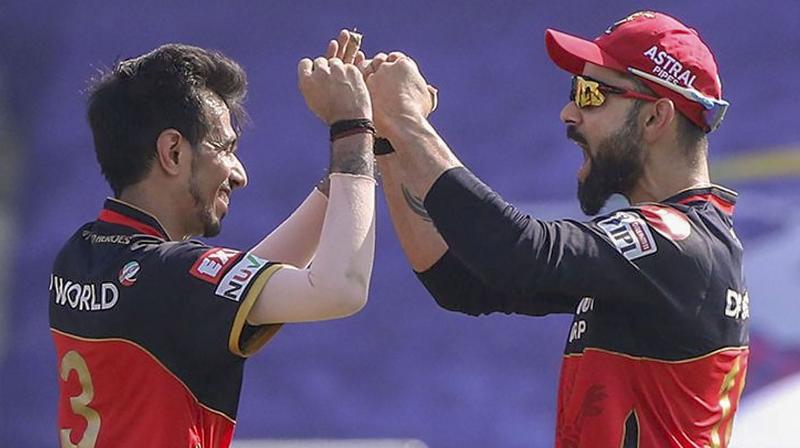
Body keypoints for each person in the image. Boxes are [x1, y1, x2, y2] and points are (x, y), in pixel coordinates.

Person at [365, 11, 748, 447]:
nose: (568, 112)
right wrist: (389, 141)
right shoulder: (677, 247)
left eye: (590, 95)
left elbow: (519, 254)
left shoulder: (676, 241)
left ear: (654, 118)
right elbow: (457, 281)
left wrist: (407, 121)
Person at [49, 31, 376, 448]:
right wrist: (352, 128)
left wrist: (360, 147)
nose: (239, 174)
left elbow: (226, 288)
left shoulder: (81, 253)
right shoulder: (168, 276)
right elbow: (341, 289)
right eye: (225, 148)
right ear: (173, 153)